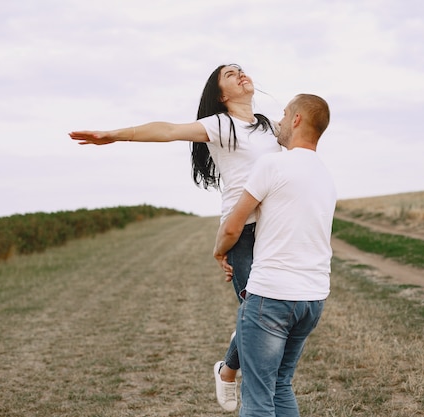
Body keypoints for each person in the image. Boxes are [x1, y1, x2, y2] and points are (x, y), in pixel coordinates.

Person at [69, 64, 281, 411]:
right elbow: (166, 130)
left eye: (242, 69)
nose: (241, 74)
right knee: (256, 310)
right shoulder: (220, 125)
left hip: (274, 227)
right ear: (221, 95)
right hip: (240, 230)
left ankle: (227, 369)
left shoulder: (269, 126)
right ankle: (233, 375)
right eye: (230, 74)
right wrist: (114, 134)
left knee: (262, 309)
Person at [213, 94, 336, 416]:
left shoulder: (272, 164)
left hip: (272, 296)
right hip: (313, 299)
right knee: (281, 385)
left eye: (283, 115)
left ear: (296, 120)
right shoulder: (326, 176)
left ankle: (226, 371)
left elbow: (232, 227)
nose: (278, 122)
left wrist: (218, 253)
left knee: (257, 399)